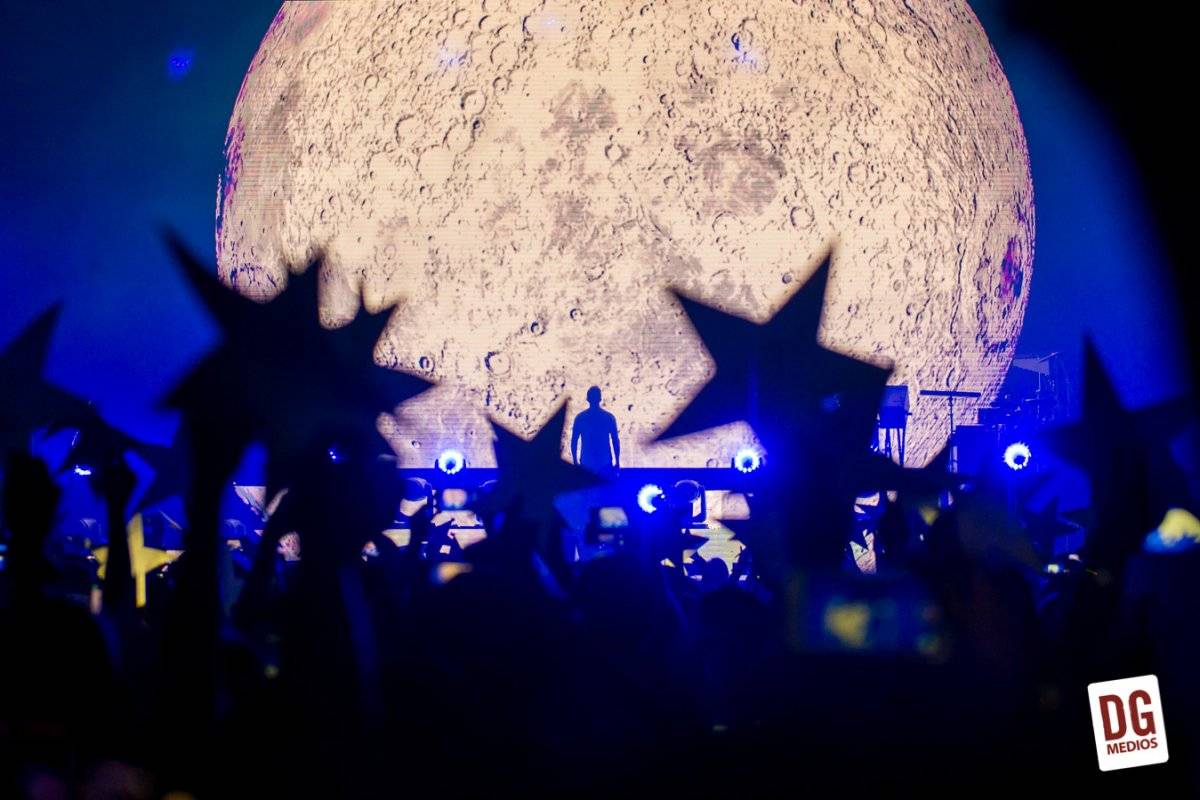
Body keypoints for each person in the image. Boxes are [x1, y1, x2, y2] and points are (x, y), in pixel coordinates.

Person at [570, 386, 620, 476]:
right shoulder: (608, 417)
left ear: (587, 399)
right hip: (604, 462)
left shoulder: (580, 418)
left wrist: (575, 461)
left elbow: (574, 441)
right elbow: (615, 441)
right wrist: (617, 461)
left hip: (587, 463)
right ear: (600, 398)